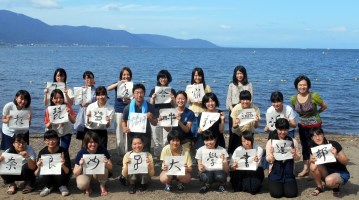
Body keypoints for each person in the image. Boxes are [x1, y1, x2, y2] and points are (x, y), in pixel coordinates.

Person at [290, 75, 327, 177]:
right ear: (296, 86)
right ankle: (306, 168)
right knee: (305, 146)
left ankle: (317, 168)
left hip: (315, 125)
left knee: (316, 146)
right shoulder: (293, 98)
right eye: (300, 85)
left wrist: (317, 113)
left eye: (304, 85)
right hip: (302, 126)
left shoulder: (314, 96)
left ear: (308, 85)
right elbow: (295, 110)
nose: (302, 87)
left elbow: (324, 106)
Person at [266, 118, 301, 198]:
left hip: (288, 172)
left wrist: (294, 154)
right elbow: (268, 159)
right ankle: (273, 181)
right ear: (276, 129)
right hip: (275, 171)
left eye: (285, 129)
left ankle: (287, 183)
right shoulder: (271, 142)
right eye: (280, 129)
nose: (283, 132)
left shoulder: (293, 141)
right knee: (276, 194)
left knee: (291, 194)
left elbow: (298, 157)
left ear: (288, 129)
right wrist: (271, 155)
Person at [309, 127, 350, 197]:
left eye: (319, 135)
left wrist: (336, 155)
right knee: (312, 166)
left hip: (341, 173)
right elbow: (311, 162)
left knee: (329, 181)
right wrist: (311, 160)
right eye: (314, 136)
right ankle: (320, 186)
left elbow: (346, 162)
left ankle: (336, 187)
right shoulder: (313, 147)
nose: (317, 138)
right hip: (326, 172)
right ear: (312, 138)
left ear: (323, 135)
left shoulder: (333, 144)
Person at [73, 131, 112, 196]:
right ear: (86, 143)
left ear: (98, 142)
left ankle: (102, 186)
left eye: (95, 142)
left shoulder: (103, 150)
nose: (93, 144)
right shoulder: (81, 152)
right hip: (86, 174)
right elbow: (75, 173)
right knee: (82, 184)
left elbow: (110, 167)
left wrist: (106, 164)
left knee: (104, 168)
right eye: (90, 142)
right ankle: (87, 186)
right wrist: (81, 166)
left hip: (98, 174)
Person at [122, 83, 158, 152]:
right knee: (132, 154)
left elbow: (155, 123)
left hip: (145, 134)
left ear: (144, 94)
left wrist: (150, 118)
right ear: (133, 94)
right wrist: (124, 128)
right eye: (137, 93)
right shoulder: (128, 108)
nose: (139, 95)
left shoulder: (149, 106)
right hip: (132, 133)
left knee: (145, 154)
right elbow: (123, 121)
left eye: (141, 93)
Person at [34, 130, 71, 197]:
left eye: (53, 139)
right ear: (45, 141)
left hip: (61, 176)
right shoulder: (42, 152)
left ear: (57, 140)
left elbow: (67, 172)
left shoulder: (63, 151)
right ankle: (48, 186)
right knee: (40, 175)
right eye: (48, 139)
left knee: (61, 169)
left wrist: (63, 165)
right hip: (48, 176)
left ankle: (61, 185)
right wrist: (38, 167)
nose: (51, 142)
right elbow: (36, 174)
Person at [149, 70, 176, 159]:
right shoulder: (154, 90)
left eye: (165, 77)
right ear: (158, 79)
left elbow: (175, 106)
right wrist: (153, 98)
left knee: (166, 138)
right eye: (161, 77)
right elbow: (151, 105)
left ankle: (165, 157)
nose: (163, 79)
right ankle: (157, 156)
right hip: (156, 115)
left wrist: (172, 98)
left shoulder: (171, 90)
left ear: (168, 79)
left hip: (168, 116)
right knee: (156, 138)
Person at [226, 65, 253, 154]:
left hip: (245, 110)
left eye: (241, 73)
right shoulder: (231, 85)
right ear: (235, 74)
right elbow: (229, 99)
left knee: (245, 130)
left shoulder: (249, 85)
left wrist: (247, 109)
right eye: (237, 73)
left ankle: (246, 150)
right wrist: (233, 109)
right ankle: (233, 151)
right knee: (233, 131)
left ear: (244, 74)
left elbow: (251, 99)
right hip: (234, 110)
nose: (239, 75)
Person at [107, 66, 133, 158]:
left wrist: (130, 101)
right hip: (118, 110)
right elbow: (108, 88)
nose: (126, 76)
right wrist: (118, 83)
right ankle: (120, 153)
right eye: (124, 75)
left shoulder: (132, 85)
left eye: (128, 74)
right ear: (121, 76)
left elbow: (135, 98)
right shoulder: (118, 84)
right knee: (119, 132)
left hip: (129, 111)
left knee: (127, 132)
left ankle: (127, 153)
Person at [186, 67, 211, 145]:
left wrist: (203, 103)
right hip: (192, 113)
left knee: (203, 132)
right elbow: (188, 103)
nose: (197, 77)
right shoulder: (189, 87)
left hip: (203, 113)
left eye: (199, 75)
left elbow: (210, 102)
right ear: (193, 76)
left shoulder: (206, 87)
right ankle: (193, 150)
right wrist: (189, 101)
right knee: (193, 133)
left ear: (202, 76)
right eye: (195, 75)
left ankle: (201, 149)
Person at [74, 71, 96, 143]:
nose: (89, 80)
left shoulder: (96, 90)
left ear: (93, 79)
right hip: (83, 113)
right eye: (87, 78)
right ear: (84, 79)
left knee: (92, 135)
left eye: (91, 78)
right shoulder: (81, 89)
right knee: (83, 136)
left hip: (92, 113)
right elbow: (78, 102)